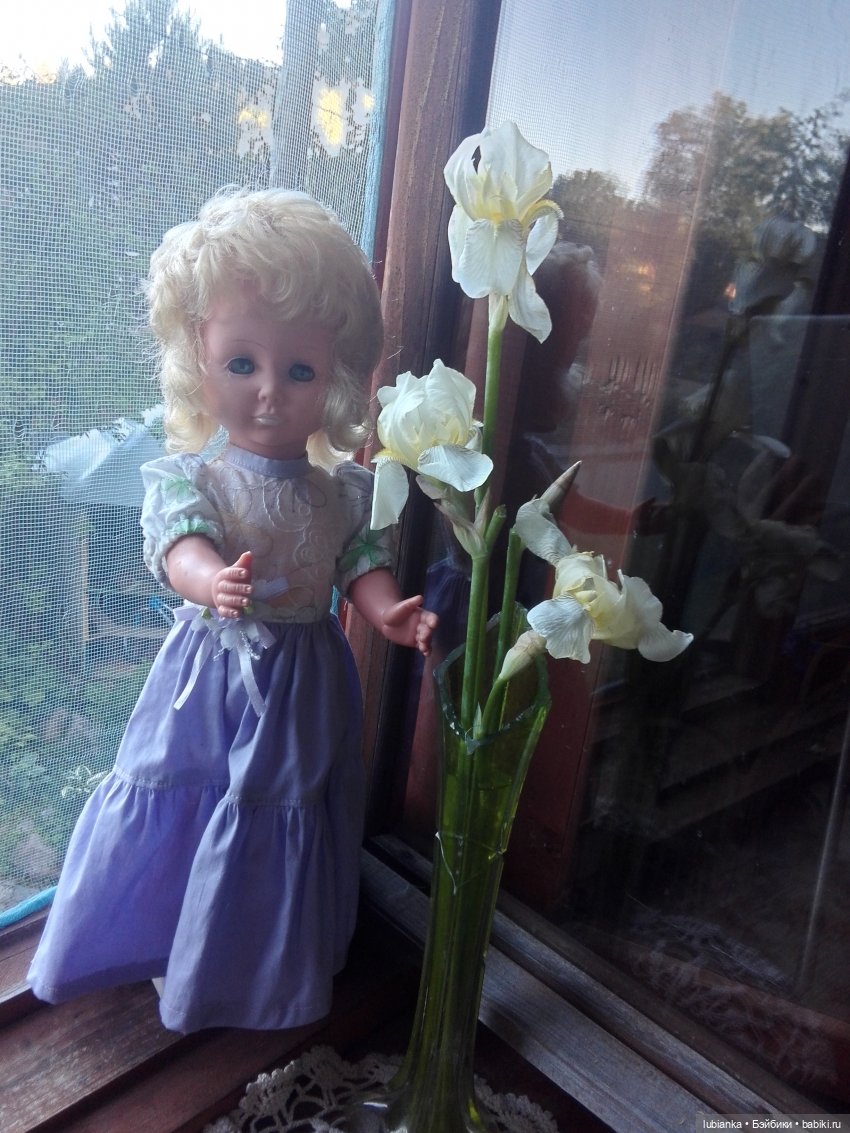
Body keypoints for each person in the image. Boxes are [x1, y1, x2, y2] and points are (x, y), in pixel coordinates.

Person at [28, 189, 437, 1033]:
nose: (269, 392)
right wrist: (210, 579)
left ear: (334, 378)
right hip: (211, 672)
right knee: (188, 789)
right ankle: (163, 934)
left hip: (304, 682)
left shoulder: (342, 492)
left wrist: (388, 611)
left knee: (282, 803)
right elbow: (179, 543)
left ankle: (253, 962)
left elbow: (358, 561)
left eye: (300, 371)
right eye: (241, 363)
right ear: (198, 359)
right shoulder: (195, 478)